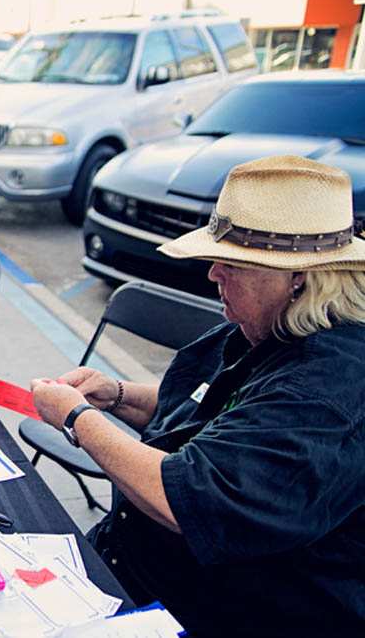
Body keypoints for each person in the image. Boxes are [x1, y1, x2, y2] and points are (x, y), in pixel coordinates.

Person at [30, 156, 365, 636]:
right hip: (136, 565)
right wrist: (117, 394)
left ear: (298, 277)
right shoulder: (269, 325)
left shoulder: (329, 389)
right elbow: (209, 410)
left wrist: (77, 419)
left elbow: (190, 497)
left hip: (219, 611)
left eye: (230, 263)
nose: (212, 274)